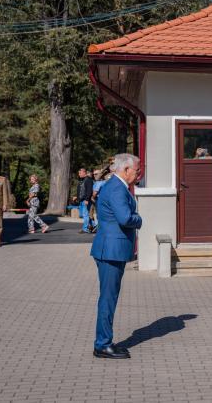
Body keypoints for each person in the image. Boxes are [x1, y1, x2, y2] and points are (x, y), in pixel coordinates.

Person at [90, 153, 142, 359]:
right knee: (108, 299)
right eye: (136, 170)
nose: (138, 174)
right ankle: (102, 344)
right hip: (110, 251)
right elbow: (125, 218)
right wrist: (139, 219)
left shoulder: (114, 186)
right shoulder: (117, 188)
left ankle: (104, 341)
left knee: (109, 297)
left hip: (110, 249)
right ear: (126, 169)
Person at [73, 168, 94, 233]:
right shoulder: (82, 180)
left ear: (84, 173)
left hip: (85, 200)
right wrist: (77, 197)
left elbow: (89, 190)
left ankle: (85, 229)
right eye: (78, 173)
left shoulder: (88, 180)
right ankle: (94, 225)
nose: (79, 174)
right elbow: (81, 190)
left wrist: (87, 199)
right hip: (81, 200)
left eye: (80, 173)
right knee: (83, 215)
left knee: (85, 215)